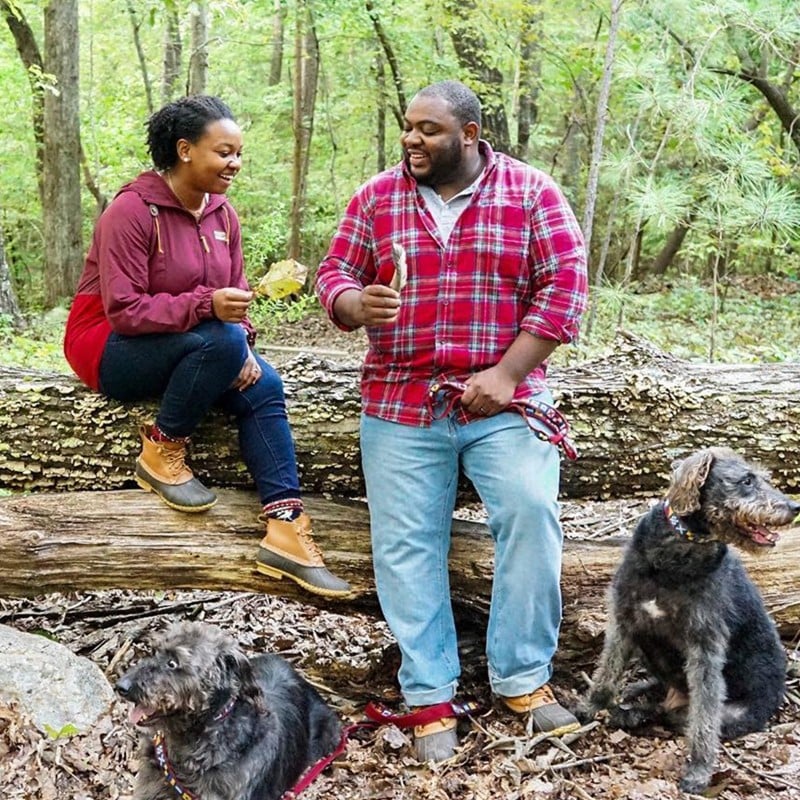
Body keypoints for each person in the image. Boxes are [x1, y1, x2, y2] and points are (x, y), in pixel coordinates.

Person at [315, 80, 588, 760]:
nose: (412, 139)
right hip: (401, 400)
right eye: (408, 127)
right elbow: (334, 273)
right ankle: (431, 694)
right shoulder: (377, 198)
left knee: (530, 510)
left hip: (504, 397)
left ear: (469, 135)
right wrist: (353, 304)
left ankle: (523, 678)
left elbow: (566, 286)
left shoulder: (530, 192)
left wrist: (506, 374)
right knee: (406, 545)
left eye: (429, 130)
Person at [64, 95, 350, 598]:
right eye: (224, 152)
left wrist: (240, 342)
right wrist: (213, 320)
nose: (234, 164)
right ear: (184, 150)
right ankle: (161, 449)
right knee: (219, 340)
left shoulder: (223, 216)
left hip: (192, 343)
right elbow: (126, 312)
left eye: (239, 153)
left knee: (266, 383)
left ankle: (286, 525)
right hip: (108, 346)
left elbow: (234, 301)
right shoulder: (130, 212)